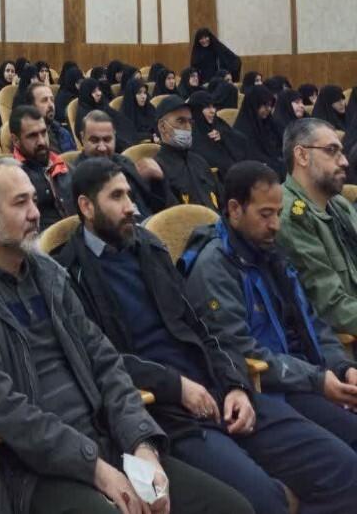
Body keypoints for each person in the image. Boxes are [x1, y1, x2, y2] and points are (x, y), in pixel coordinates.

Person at [0, 156, 253, 514]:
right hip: (39, 470)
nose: (35, 213)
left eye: (34, 200)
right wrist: (96, 469)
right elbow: (0, 405)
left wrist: (142, 444)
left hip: (108, 440)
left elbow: (105, 362)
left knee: (232, 507)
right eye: (20, 203)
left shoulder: (50, 274)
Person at [60, 157, 357, 512]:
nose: (131, 207)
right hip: (166, 412)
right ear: (86, 206)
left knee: (344, 468)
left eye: (129, 194)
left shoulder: (148, 247)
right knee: (263, 501)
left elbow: (201, 328)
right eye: (117, 197)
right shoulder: (69, 274)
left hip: (218, 389)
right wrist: (178, 386)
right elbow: (103, 362)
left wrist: (235, 384)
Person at [182, 160, 357, 450]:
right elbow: (239, 350)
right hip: (272, 390)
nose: (275, 224)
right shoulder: (214, 268)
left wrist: (343, 366)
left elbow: (312, 322)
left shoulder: (272, 253)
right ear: (235, 209)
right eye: (265, 214)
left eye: (278, 213)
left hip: (308, 377)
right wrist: (317, 380)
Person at [276, 118, 357, 335]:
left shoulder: (338, 204)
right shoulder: (292, 216)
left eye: (341, 152)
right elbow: (330, 306)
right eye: (331, 151)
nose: (344, 162)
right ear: (302, 155)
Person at [76, 110, 169, 220]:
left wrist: (157, 182)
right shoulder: (76, 176)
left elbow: (154, 206)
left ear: (114, 137)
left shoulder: (124, 163)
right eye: (94, 140)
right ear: (82, 138)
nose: (102, 147)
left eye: (107, 140)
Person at [8, 105, 74, 230]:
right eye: (32, 136)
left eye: (44, 133)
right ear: (15, 140)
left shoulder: (65, 167)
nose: (42, 141)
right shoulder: (13, 179)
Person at [154, 95, 222, 210]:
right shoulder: (158, 168)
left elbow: (221, 201)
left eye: (190, 122)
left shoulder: (199, 161)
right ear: (163, 126)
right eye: (181, 121)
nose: (188, 127)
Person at [187, 90, 248, 180]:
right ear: (197, 109)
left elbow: (241, 139)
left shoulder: (217, 122)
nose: (213, 111)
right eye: (207, 107)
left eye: (213, 106)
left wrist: (223, 135)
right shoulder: (191, 131)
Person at [233, 85, 285, 178]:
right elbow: (251, 156)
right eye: (265, 105)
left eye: (270, 105)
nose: (269, 109)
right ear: (254, 105)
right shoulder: (242, 129)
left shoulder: (270, 123)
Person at [75, 78, 136, 151]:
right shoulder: (84, 115)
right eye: (94, 92)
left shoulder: (102, 105)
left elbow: (120, 119)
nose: (99, 93)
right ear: (86, 94)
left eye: (99, 90)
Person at [16, 82, 76, 153]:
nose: (51, 105)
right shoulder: (27, 139)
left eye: (52, 100)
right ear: (31, 106)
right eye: (44, 100)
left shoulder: (63, 133)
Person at [121, 77, 157, 143]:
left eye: (145, 93)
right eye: (139, 93)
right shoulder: (125, 114)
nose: (143, 96)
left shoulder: (149, 108)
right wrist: (151, 136)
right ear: (132, 95)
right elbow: (130, 135)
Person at [53, 61, 83, 126]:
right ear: (71, 81)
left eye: (82, 82)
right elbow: (61, 116)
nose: (81, 85)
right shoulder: (63, 96)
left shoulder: (80, 93)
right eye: (78, 82)